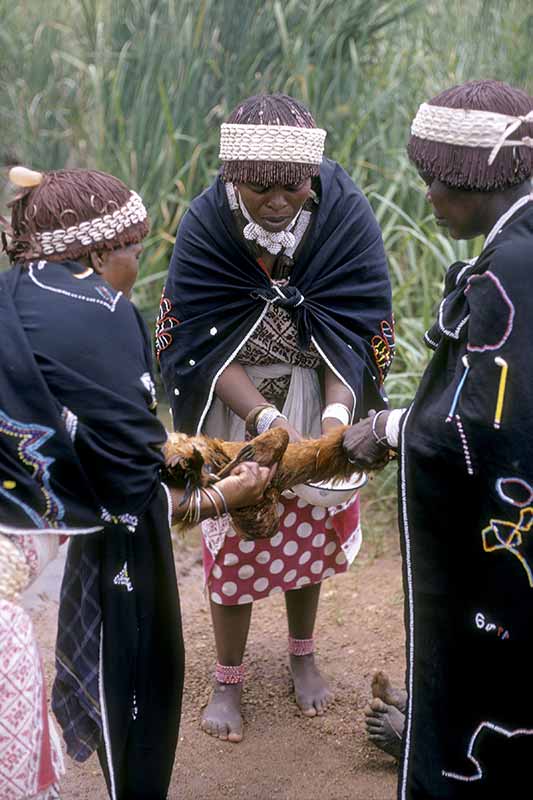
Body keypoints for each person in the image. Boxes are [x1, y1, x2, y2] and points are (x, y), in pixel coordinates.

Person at [0, 165, 274, 800]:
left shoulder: (17, 293)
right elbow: (130, 492)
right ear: (97, 252)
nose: (138, 263)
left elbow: (96, 440)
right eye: (133, 249)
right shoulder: (105, 313)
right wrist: (227, 494)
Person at [159, 93, 394, 742]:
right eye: (261, 187)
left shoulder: (340, 210)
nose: (280, 200)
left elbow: (351, 323)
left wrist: (336, 419)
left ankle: (302, 652)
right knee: (237, 533)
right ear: (234, 178)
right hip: (236, 407)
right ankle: (228, 678)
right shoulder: (208, 223)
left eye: (293, 184)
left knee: (314, 524)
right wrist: (264, 419)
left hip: (319, 393)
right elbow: (199, 347)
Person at [343, 79, 533, 798]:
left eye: (432, 180)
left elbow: (477, 425)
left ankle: (453, 756)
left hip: (513, 517)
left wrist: (391, 426)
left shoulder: (508, 273)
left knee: (496, 637)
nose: (426, 195)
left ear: (476, 177)